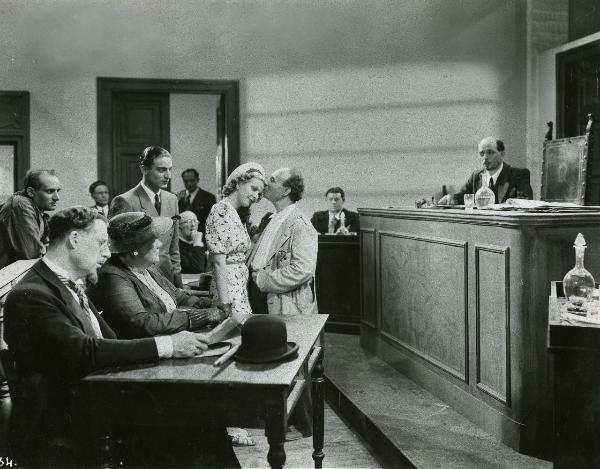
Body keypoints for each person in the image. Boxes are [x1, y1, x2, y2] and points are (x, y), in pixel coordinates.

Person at [3, 206, 209, 466]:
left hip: (93, 399)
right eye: (101, 243)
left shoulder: (66, 282)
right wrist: (167, 345)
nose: (107, 251)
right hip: (66, 419)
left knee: (198, 415)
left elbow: (108, 340)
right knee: (193, 427)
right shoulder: (32, 294)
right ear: (74, 240)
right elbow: (86, 350)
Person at [248, 167, 318, 440]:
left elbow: (303, 270)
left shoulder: (299, 223)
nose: (267, 183)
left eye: (274, 180)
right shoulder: (272, 217)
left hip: (284, 302)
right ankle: (279, 422)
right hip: (266, 299)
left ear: (287, 190)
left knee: (288, 364)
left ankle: (298, 425)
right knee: (272, 364)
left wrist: (264, 280)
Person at [87, 212, 225, 339]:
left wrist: (210, 304)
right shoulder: (113, 276)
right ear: (135, 249)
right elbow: (143, 323)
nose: (159, 244)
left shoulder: (148, 267)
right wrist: (202, 316)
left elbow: (176, 294)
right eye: (153, 240)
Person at [109, 146, 183, 287]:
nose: (168, 175)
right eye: (161, 170)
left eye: (170, 169)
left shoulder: (172, 199)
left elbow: (174, 249)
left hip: (168, 279)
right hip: (140, 282)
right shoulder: (125, 201)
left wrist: (178, 284)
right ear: (144, 169)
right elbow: (116, 253)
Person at [205, 162, 266, 325]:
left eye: (259, 193)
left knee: (241, 333)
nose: (256, 196)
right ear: (239, 183)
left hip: (239, 285)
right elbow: (219, 261)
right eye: (254, 188)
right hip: (227, 287)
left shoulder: (235, 214)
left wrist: (255, 237)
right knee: (233, 332)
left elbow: (240, 255)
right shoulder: (221, 210)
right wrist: (225, 303)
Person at [438, 137, 534, 205]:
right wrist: (452, 198)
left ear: (502, 154)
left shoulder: (518, 174)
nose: (485, 157)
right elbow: (463, 196)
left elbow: (524, 202)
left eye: (490, 152)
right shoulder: (476, 176)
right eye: (482, 153)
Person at [0, 169, 61, 269]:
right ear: (31, 192)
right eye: (50, 191)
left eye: (57, 191)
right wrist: (43, 247)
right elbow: (32, 253)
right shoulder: (21, 204)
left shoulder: (39, 211)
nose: (57, 197)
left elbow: (49, 247)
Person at [177, 168, 216, 235]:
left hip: (200, 238)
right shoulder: (179, 198)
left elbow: (212, 222)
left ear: (197, 180)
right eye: (186, 181)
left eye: (192, 181)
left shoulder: (208, 198)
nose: (189, 184)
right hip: (182, 240)